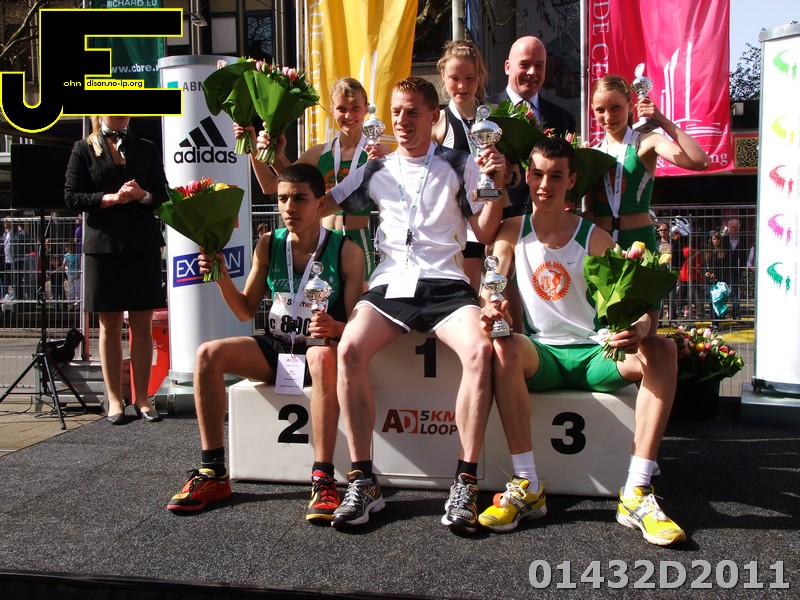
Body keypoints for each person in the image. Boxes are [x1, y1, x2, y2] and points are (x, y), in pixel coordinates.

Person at [275, 76, 507, 532]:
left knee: (480, 351)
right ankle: (364, 480)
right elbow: (316, 202)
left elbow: (484, 231)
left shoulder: (460, 163)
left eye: (412, 112)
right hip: (391, 283)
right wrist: (274, 158)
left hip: (445, 283)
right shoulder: (375, 168)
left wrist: (494, 184)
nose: (401, 120)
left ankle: (465, 480)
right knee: (349, 349)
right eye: (396, 111)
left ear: (434, 117)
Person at [478, 137, 684, 546]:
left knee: (662, 350)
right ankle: (527, 484)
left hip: (596, 353)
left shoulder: (595, 237)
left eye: (556, 176)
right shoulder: (511, 230)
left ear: (571, 181)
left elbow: (640, 306)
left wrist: (641, 328)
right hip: (543, 354)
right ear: (527, 175)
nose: (544, 185)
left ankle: (637, 491)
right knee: (504, 346)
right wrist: (491, 305)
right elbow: (491, 283)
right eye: (537, 174)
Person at [166, 163, 365, 522]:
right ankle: (213, 471)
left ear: (320, 204)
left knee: (320, 357)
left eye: (299, 199)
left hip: (321, 351)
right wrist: (221, 276)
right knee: (208, 354)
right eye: (282, 199)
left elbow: (356, 326)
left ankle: (323, 478)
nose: (289, 207)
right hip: (278, 348)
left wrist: (336, 326)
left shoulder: (346, 251)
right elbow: (245, 309)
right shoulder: (269, 244)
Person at [64, 115, 167, 425]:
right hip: (102, 246)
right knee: (108, 325)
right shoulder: (83, 148)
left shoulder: (146, 147)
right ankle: (113, 399)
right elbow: (72, 196)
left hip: (142, 245)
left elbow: (162, 194)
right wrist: (111, 198)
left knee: (142, 325)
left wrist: (143, 195)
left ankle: (142, 398)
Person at [587, 75, 709, 334]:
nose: (608, 116)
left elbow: (699, 161)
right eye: (600, 110)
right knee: (604, 330)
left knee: (645, 333)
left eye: (615, 107)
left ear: (630, 105)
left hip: (640, 243)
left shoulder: (646, 142)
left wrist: (663, 121)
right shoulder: (592, 152)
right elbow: (588, 209)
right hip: (602, 245)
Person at [241, 77, 384, 284]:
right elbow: (272, 185)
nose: (349, 115)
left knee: (358, 303)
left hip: (358, 241)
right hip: (322, 242)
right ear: (332, 109)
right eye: (342, 109)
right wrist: (253, 147)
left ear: (366, 108)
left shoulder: (376, 153)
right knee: (319, 300)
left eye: (355, 108)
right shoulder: (319, 153)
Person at [489, 35, 577, 219]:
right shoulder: (486, 113)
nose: (532, 72)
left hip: (547, 224)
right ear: (507, 67)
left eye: (539, 66)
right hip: (498, 221)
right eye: (524, 64)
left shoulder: (563, 119)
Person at [432, 39, 490, 292]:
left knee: (499, 297)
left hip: (495, 217)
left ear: (479, 77)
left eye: (470, 78)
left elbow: (514, 173)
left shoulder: (495, 118)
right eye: (455, 78)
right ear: (443, 76)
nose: (462, 86)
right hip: (460, 225)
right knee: (468, 296)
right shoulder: (438, 122)